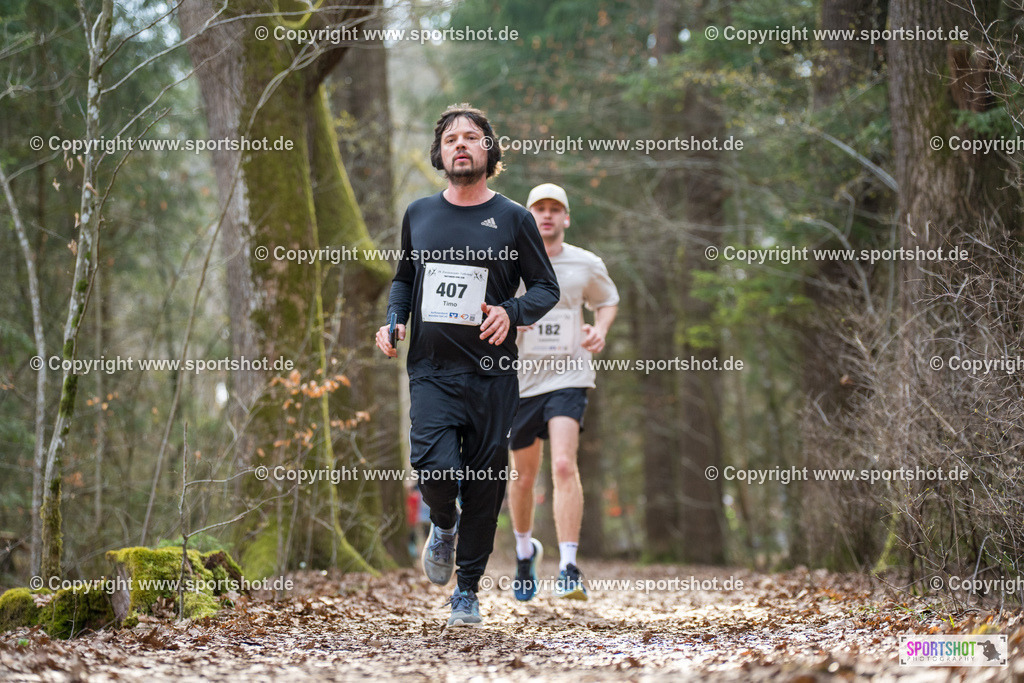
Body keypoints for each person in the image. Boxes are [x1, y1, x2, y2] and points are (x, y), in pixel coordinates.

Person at [375, 105, 559, 626]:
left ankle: (468, 591)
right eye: (451, 138)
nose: (461, 144)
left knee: (485, 482)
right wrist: (394, 320)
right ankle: (443, 525)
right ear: (439, 152)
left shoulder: (514, 218)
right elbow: (404, 280)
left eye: (472, 137)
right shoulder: (419, 214)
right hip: (431, 369)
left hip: (492, 373)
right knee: (434, 467)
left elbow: (546, 287)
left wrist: (510, 312)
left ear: (488, 150)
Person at [508, 183, 619, 601]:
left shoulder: (585, 263)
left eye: (556, 209)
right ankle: (524, 553)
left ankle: (569, 567)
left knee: (562, 466)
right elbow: (490, 309)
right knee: (523, 477)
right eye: (540, 208)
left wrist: (599, 330)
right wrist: (510, 321)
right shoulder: (512, 263)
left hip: (570, 375)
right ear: (529, 216)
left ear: (566, 218)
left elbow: (607, 300)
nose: (548, 215)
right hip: (519, 382)